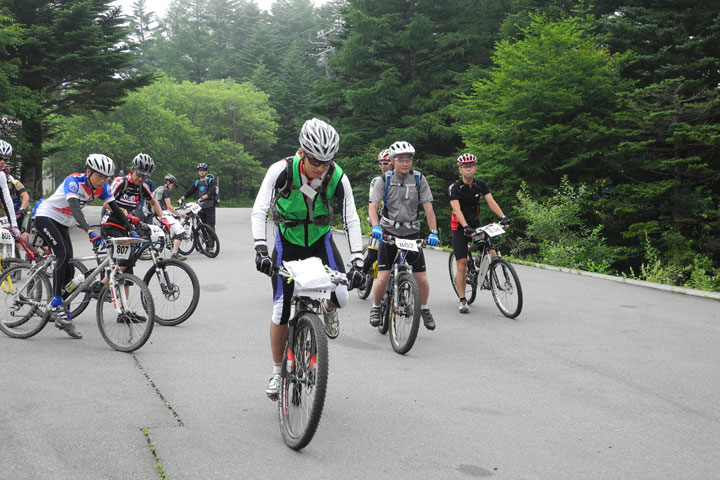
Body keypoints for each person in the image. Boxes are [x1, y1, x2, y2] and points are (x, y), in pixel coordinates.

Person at [251, 118, 364, 399]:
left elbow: (351, 217)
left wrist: (358, 259)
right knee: (280, 309)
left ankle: (327, 308)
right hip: (287, 242)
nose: (321, 168)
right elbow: (259, 209)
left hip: (320, 241)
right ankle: (278, 372)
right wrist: (261, 249)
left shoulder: (337, 176)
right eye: (316, 161)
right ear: (302, 152)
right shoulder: (281, 170)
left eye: (328, 161)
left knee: (343, 295)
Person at [34, 154, 132, 338]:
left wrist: (131, 229)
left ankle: (65, 316)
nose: (103, 181)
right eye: (99, 176)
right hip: (46, 216)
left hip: (63, 222)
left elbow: (116, 210)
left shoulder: (102, 188)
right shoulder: (74, 182)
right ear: (88, 172)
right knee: (62, 254)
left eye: (106, 177)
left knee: (69, 266)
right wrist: (89, 232)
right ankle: (55, 302)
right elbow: (75, 209)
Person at [367, 140, 439, 330]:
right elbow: (373, 206)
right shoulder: (384, 180)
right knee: (383, 275)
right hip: (388, 232)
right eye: (400, 159)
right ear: (392, 160)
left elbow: (428, 207)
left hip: (411, 232)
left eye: (408, 159)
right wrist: (375, 226)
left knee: (421, 277)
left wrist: (434, 231)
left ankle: (424, 308)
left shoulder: (419, 179)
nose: (405, 163)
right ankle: (376, 307)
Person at [93, 154, 171, 317]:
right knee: (126, 259)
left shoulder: (142, 187)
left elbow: (154, 202)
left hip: (126, 228)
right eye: (139, 175)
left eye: (145, 176)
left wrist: (164, 218)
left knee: (127, 270)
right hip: (111, 225)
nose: (141, 179)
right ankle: (101, 285)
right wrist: (128, 215)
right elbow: (107, 203)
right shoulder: (121, 182)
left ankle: (125, 312)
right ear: (132, 170)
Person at [448, 153, 510, 314]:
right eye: (465, 166)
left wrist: (502, 217)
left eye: (472, 165)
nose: (469, 168)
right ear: (460, 169)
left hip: (476, 223)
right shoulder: (455, 187)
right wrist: (465, 226)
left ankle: (481, 262)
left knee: (493, 253)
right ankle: (463, 300)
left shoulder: (480, 184)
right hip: (460, 226)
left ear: (475, 167)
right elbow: (456, 209)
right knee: (461, 264)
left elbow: (491, 201)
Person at [361, 149, 394, 278]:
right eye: (380, 163)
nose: (382, 167)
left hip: (397, 223)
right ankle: (360, 276)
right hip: (380, 220)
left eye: (386, 163)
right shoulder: (376, 181)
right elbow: (373, 203)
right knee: (373, 255)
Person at [152, 174, 188, 260]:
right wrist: (180, 214)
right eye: (173, 185)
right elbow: (169, 206)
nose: (173, 187)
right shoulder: (166, 190)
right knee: (180, 231)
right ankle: (174, 254)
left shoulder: (158, 189)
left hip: (155, 214)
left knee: (172, 227)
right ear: (168, 182)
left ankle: (170, 243)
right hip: (163, 213)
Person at [180, 163, 218, 230]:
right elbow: (190, 191)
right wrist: (183, 197)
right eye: (200, 170)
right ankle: (203, 238)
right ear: (198, 172)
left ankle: (211, 240)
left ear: (206, 171)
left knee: (210, 226)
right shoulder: (197, 182)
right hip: (200, 206)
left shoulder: (210, 181)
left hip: (209, 206)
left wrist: (205, 196)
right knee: (201, 225)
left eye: (203, 170)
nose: (202, 172)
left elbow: (212, 191)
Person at [0, 140, 24, 245]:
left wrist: (14, 225)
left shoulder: (1, 176)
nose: (2, 162)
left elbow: (7, 200)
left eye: (5, 159)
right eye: (0, 158)